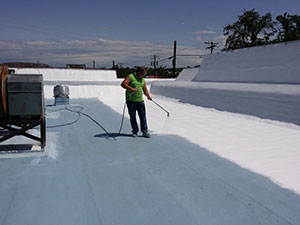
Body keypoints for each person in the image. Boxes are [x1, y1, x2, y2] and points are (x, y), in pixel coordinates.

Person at [121, 66, 152, 138]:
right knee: (133, 117)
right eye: (143, 74)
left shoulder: (142, 80)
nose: (143, 76)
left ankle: (144, 131)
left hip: (140, 101)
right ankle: (135, 131)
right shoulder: (130, 77)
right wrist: (131, 89)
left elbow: (145, 89)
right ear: (139, 72)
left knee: (143, 116)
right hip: (131, 101)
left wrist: (148, 96)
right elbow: (123, 84)